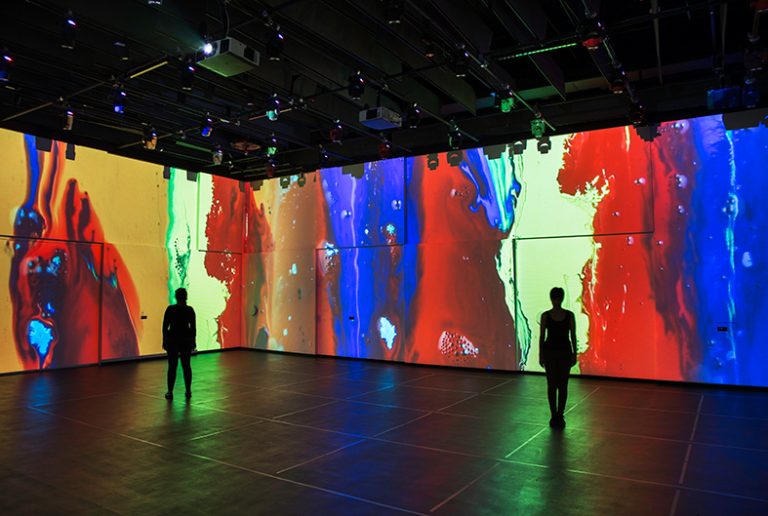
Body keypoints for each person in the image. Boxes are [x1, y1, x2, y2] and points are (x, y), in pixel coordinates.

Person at [539, 287, 578, 429]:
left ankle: (559, 414)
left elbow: (573, 335)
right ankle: (555, 414)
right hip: (554, 353)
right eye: (555, 298)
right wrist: (541, 354)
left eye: (557, 298)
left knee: (561, 385)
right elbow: (542, 336)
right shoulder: (549, 316)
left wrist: (574, 353)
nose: (556, 301)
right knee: (554, 385)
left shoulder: (566, 315)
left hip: (561, 353)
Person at [162, 288, 196, 400]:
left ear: (176, 297)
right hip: (185, 341)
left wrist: (164, 340)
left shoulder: (170, 309)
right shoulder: (189, 310)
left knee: (172, 366)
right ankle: (188, 390)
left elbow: (165, 327)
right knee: (186, 366)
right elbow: (193, 328)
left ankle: (170, 391)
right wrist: (193, 341)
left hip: (173, 340)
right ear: (186, 297)